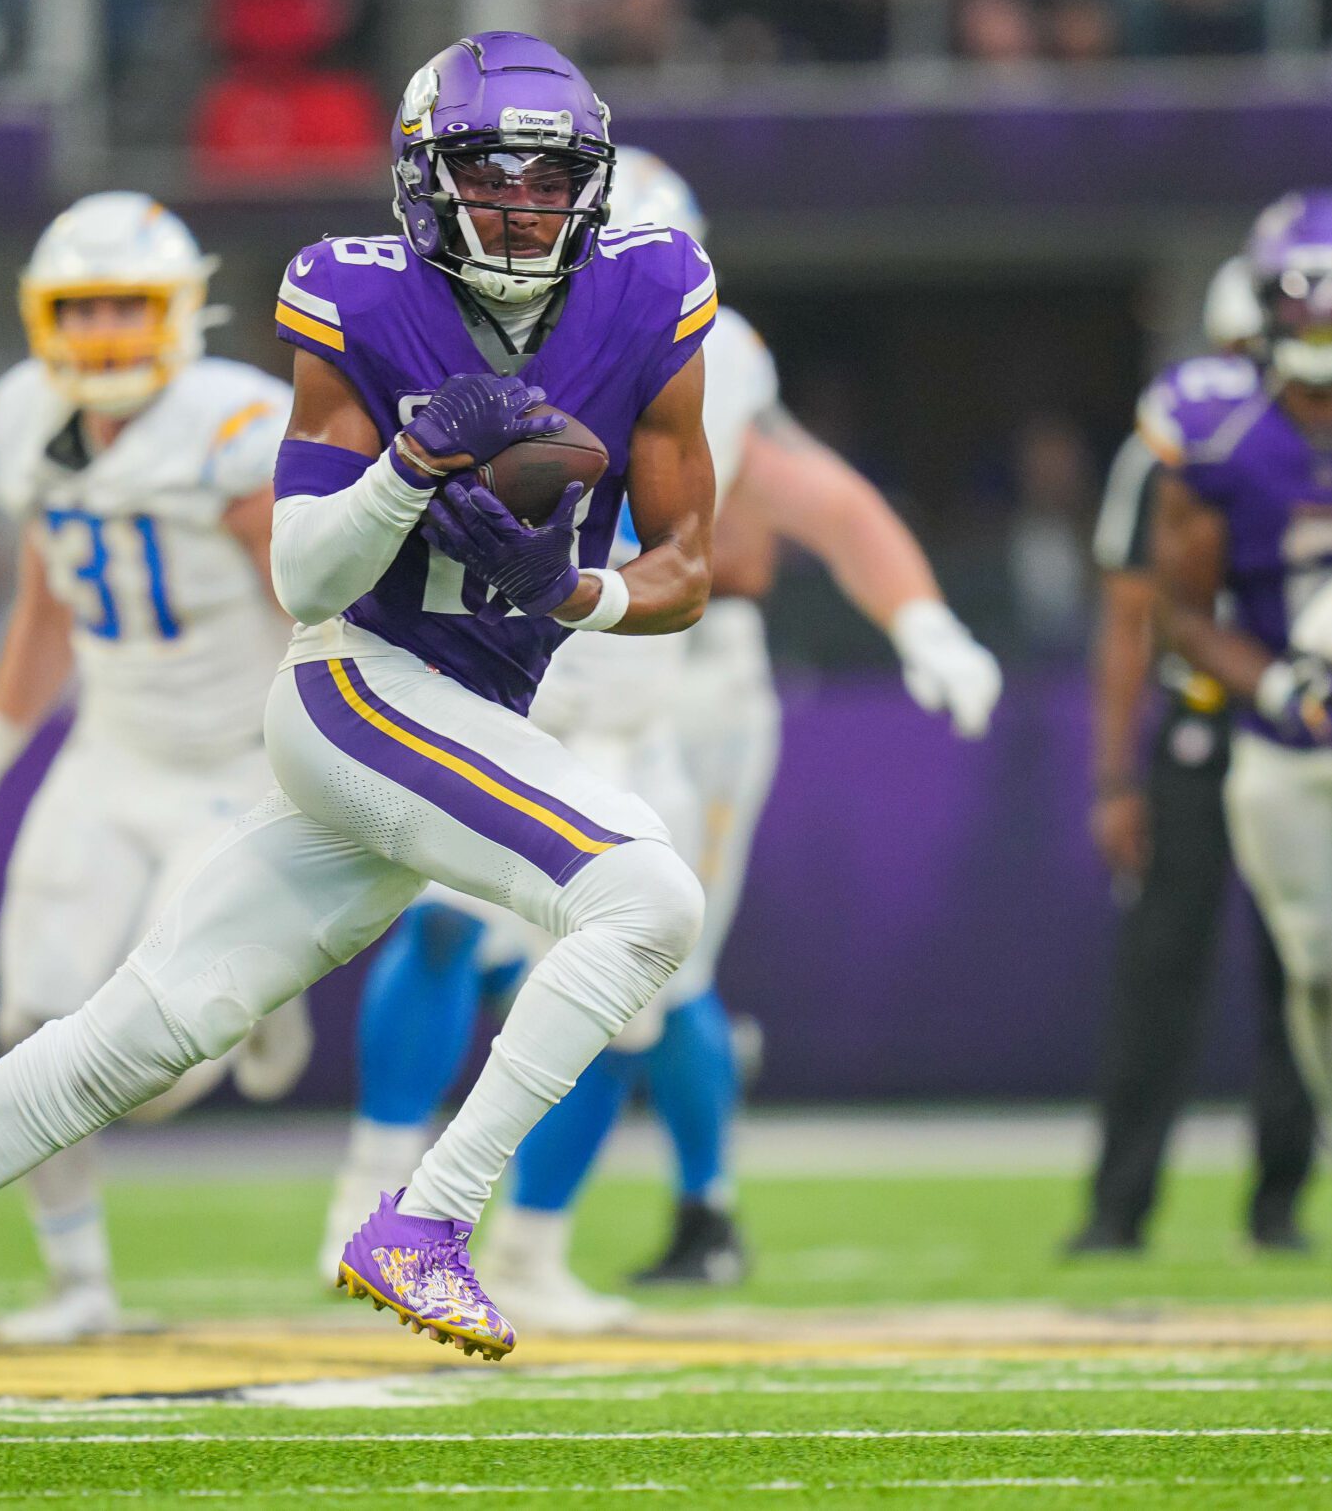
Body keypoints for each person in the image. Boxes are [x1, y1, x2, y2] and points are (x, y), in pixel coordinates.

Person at [0, 31, 719, 1460]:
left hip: (468, 709)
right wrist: (413, 462)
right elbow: (306, 575)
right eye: (489, 176)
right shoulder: (358, 300)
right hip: (355, 686)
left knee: (128, 1037)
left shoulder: (652, 290)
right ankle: (428, 1212)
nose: (521, 206)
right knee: (648, 894)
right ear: (428, 186)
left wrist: (574, 590)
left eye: (551, 176)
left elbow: (693, 565)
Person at [321, 151, 1003, 1330]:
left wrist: (924, 621)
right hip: (492, 685)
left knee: (627, 994)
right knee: (436, 925)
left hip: (632, 704)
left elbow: (812, 500)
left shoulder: (716, 355)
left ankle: (529, 1248)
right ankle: (363, 1198)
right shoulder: (449, 325)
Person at [0, 190, 306, 1342]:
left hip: (238, 761)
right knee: (30, 1022)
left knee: (147, 1059)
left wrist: (335, 773)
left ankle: (258, 990)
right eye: (81, 308)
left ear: (181, 311)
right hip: (112, 750)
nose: (105, 332)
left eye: (128, 304)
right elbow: (44, 608)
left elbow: (314, 607)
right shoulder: (20, 424)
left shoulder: (233, 432)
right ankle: (77, 1284)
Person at [1143, 188, 1332, 1288]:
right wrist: (1284, 691)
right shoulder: (1213, 423)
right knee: (1316, 968)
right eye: (1294, 305)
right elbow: (1180, 612)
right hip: (1281, 730)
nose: (1314, 324)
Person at [1068, 256, 1313, 1258]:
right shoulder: (1173, 446)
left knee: (1312, 966)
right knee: (1159, 974)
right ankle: (1119, 1208)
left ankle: (1285, 1203)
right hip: (1200, 725)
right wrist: (1116, 776)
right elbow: (1130, 614)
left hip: (1305, 727)